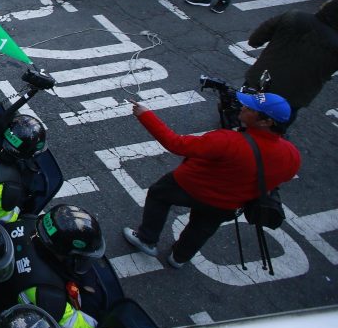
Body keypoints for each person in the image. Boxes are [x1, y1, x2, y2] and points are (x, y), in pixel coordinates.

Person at [123, 92, 300, 267]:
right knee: (202, 228)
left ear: (266, 122)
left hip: (188, 186)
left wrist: (145, 114)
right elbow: (282, 178)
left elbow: (176, 144)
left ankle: (147, 238)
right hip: (228, 205)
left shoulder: (227, 140)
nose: (243, 107)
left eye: (251, 109)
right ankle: (179, 257)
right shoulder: (292, 155)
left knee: (158, 195)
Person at [241, 0, 338, 120]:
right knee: (273, 123)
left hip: (260, 79)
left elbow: (255, 39)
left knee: (239, 111)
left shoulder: (294, 16)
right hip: (294, 96)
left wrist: (256, 43)